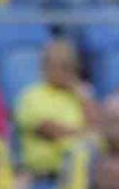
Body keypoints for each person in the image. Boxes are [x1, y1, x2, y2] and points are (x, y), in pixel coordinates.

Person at [16, 39, 93, 179]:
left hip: (81, 175)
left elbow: (99, 128)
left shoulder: (79, 96)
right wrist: (85, 134)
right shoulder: (32, 96)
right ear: (44, 67)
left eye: (68, 66)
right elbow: (53, 131)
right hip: (44, 176)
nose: (64, 71)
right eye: (58, 65)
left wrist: (86, 100)